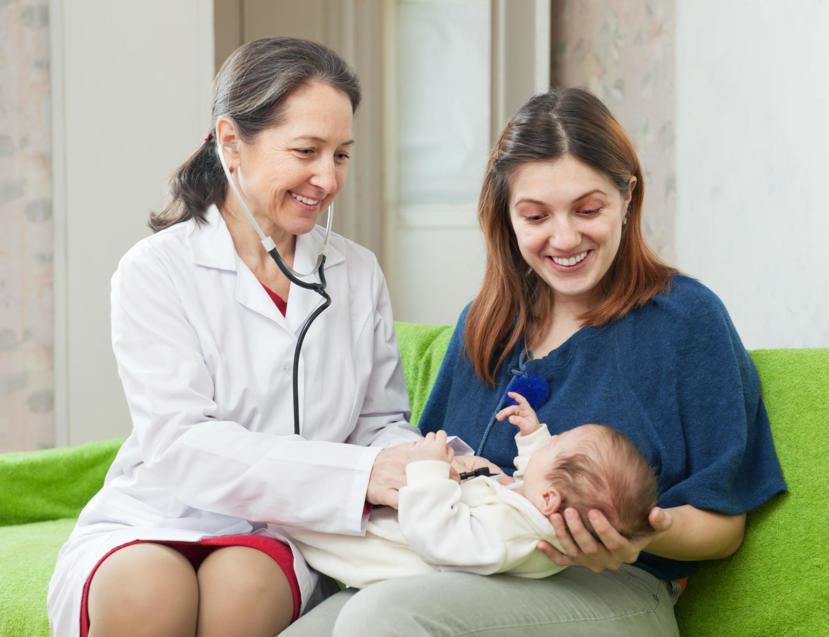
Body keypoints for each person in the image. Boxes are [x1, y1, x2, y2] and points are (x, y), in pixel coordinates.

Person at [283, 88, 787, 636]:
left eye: (588, 209)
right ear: (507, 215)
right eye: (536, 215)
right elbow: (433, 470)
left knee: (381, 618)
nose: (564, 237)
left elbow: (724, 526)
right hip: (465, 569)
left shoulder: (686, 320)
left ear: (627, 198)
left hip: (617, 587)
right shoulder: (486, 322)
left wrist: (638, 534)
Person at [47, 37, 500, 637]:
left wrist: (412, 460)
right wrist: (360, 476)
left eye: (341, 154)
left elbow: (375, 420)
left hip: (284, 525)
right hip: (155, 511)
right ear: (231, 141)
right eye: (306, 151)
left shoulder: (355, 270)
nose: (327, 177)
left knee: (244, 586)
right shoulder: (155, 269)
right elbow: (181, 445)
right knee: (145, 589)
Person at [288, 393, 658, 589]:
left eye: (555, 442)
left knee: (305, 522)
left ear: (550, 501)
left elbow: (438, 539)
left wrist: (429, 469)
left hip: (389, 548)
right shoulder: (538, 514)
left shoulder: (511, 536)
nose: (552, 436)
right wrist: (533, 438)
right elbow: (534, 482)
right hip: (400, 517)